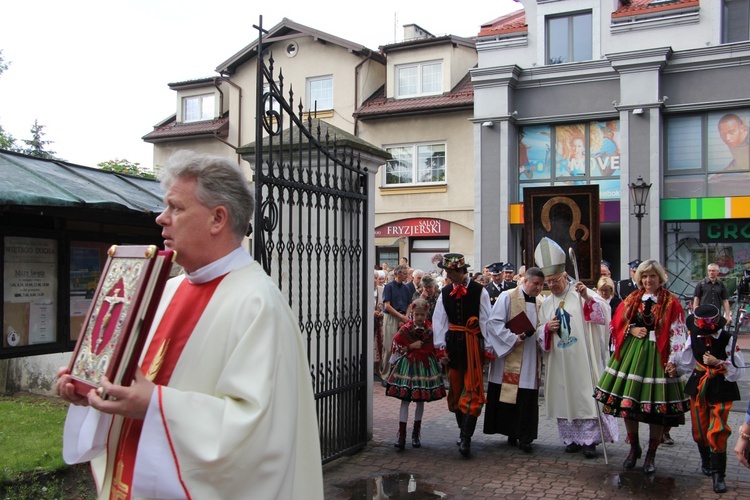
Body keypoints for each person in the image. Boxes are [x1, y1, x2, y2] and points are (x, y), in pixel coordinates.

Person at [56, 151, 324, 499]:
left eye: (176, 208)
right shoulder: (164, 289)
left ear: (217, 219)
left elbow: (258, 432)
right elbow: (131, 378)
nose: (160, 218)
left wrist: (155, 405)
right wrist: (92, 390)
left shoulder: (258, 303)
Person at [594, 259, 689, 475]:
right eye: (644, 276)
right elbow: (616, 324)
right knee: (629, 406)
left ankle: (651, 453)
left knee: (656, 408)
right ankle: (634, 448)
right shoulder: (632, 298)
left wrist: (674, 360)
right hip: (632, 354)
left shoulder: (670, 302)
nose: (648, 280)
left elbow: (678, 331)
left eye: (652, 276)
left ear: (660, 278)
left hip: (658, 355)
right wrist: (632, 330)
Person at [535, 237, 618, 459]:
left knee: (584, 396)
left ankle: (589, 441)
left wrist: (586, 298)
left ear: (564, 276)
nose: (551, 285)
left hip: (583, 357)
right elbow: (539, 332)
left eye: (555, 280)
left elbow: (602, 317)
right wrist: (546, 329)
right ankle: (571, 438)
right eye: (548, 282)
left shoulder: (582, 293)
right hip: (561, 359)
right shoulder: (547, 303)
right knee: (565, 396)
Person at [676, 304, 745, 493]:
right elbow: (687, 363)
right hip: (699, 385)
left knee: (718, 430)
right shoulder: (693, 337)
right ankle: (706, 461)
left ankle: (718, 474)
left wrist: (719, 363)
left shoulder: (727, 338)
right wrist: (674, 368)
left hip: (721, 386)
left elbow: (737, 370)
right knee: (699, 430)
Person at [432, 253, 491, 457]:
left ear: (460, 271)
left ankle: (466, 438)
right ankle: (461, 432)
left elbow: (486, 320)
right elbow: (439, 320)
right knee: (456, 390)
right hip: (453, 345)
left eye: (449, 271)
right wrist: (440, 348)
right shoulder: (445, 292)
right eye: (446, 271)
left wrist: (488, 347)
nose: (447, 274)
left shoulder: (479, 291)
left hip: (472, 344)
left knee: (472, 390)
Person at [484, 267, 545, 453]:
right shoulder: (507, 296)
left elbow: (542, 326)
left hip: (530, 355)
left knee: (527, 396)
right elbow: (494, 322)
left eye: (541, 285)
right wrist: (512, 338)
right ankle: (511, 431)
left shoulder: (542, 302)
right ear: (525, 281)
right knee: (509, 393)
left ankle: (525, 436)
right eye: (536, 284)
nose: (539, 288)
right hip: (510, 352)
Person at [385, 299, 446, 450]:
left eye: (422, 314)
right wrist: (411, 346)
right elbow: (397, 344)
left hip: (425, 366)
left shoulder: (431, 330)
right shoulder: (406, 329)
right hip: (408, 365)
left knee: (420, 400)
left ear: (426, 314)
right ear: (412, 313)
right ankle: (402, 435)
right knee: (405, 399)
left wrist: (440, 357)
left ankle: (416, 433)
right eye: (417, 314)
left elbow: (435, 346)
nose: (419, 317)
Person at [380, 264, 413, 380]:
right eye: (405, 273)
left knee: (403, 346)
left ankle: (398, 374)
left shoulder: (406, 288)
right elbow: (387, 306)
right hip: (391, 317)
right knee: (389, 347)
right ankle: (385, 375)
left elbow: (409, 304)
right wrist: (401, 317)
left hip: (403, 316)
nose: (407, 276)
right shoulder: (389, 286)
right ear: (398, 273)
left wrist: (405, 316)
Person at [374, 270, 386, 378]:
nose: (375, 280)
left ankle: (377, 368)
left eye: (376, 277)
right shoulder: (366, 289)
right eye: (373, 277)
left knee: (379, 344)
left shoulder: (381, 290)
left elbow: (385, 305)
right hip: (370, 322)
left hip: (379, 321)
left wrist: (381, 312)